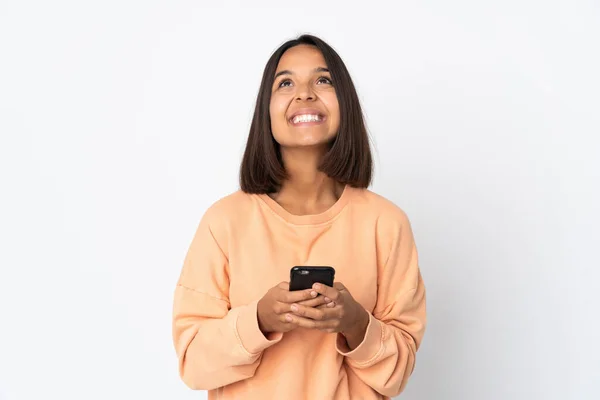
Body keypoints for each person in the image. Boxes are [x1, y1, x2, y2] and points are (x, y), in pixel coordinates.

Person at [172, 34, 427, 400]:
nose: (305, 93)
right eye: (286, 82)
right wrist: (259, 319)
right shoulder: (224, 221)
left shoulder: (386, 224)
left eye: (323, 80)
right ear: (267, 109)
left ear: (346, 103)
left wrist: (355, 323)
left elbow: (397, 374)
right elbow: (193, 363)